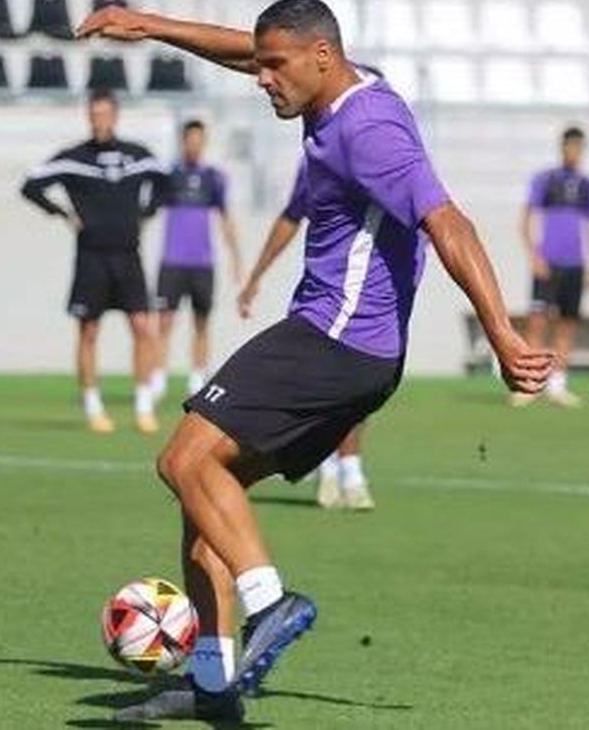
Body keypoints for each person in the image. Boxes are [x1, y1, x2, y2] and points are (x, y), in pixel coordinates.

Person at [77, 0, 555, 722]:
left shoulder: (370, 129)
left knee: (182, 461)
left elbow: (447, 220)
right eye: (262, 64)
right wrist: (152, 26)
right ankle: (213, 686)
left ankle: (273, 600)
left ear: (321, 58)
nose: (261, 77)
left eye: (275, 67)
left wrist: (501, 333)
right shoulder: (325, 84)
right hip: (349, 347)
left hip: (336, 338)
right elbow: (247, 47)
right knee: (207, 497)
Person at [20, 89, 165, 435]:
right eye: (94, 115)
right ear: (89, 118)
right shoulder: (74, 158)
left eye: (105, 114)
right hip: (91, 257)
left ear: (115, 116)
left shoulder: (137, 155)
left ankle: (144, 405)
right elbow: (30, 185)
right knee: (88, 331)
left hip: (129, 255)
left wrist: (146, 211)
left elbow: (166, 181)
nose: (99, 120)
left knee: (143, 327)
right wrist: (61, 213)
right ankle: (92, 405)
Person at [238, 162, 375, 511]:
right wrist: (256, 275)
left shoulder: (385, 159)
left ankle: (350, 470)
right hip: (319, 303)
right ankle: (329, 468)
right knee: (318, 391)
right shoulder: (318, 160)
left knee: (357, 392)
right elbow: (291, 216)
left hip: (365, 301)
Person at [152, 119, 242, 402]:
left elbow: (225, 218)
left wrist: (236, 258)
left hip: (202, 262)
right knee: (164, 321)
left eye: (198, 140)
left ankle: (197, 377)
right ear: (182, 142)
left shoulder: (213, 178)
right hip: (173, 260)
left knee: (201, 322)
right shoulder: (169, 176)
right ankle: (157, 376)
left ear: (204, 142)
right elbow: (148, 210)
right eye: (189, 140)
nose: (193, 145)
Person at [513, 125, 589, 409]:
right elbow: (526, 219)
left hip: (574, 265)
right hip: (547, 264)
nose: (574, 153)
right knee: (537, 323)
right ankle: (529, 385)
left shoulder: (588, 186)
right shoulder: (545, 180)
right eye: (570, 147)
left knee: (567, 325)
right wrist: (534, 256)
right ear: (562, 148)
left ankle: (557, 385)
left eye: (579, 148)